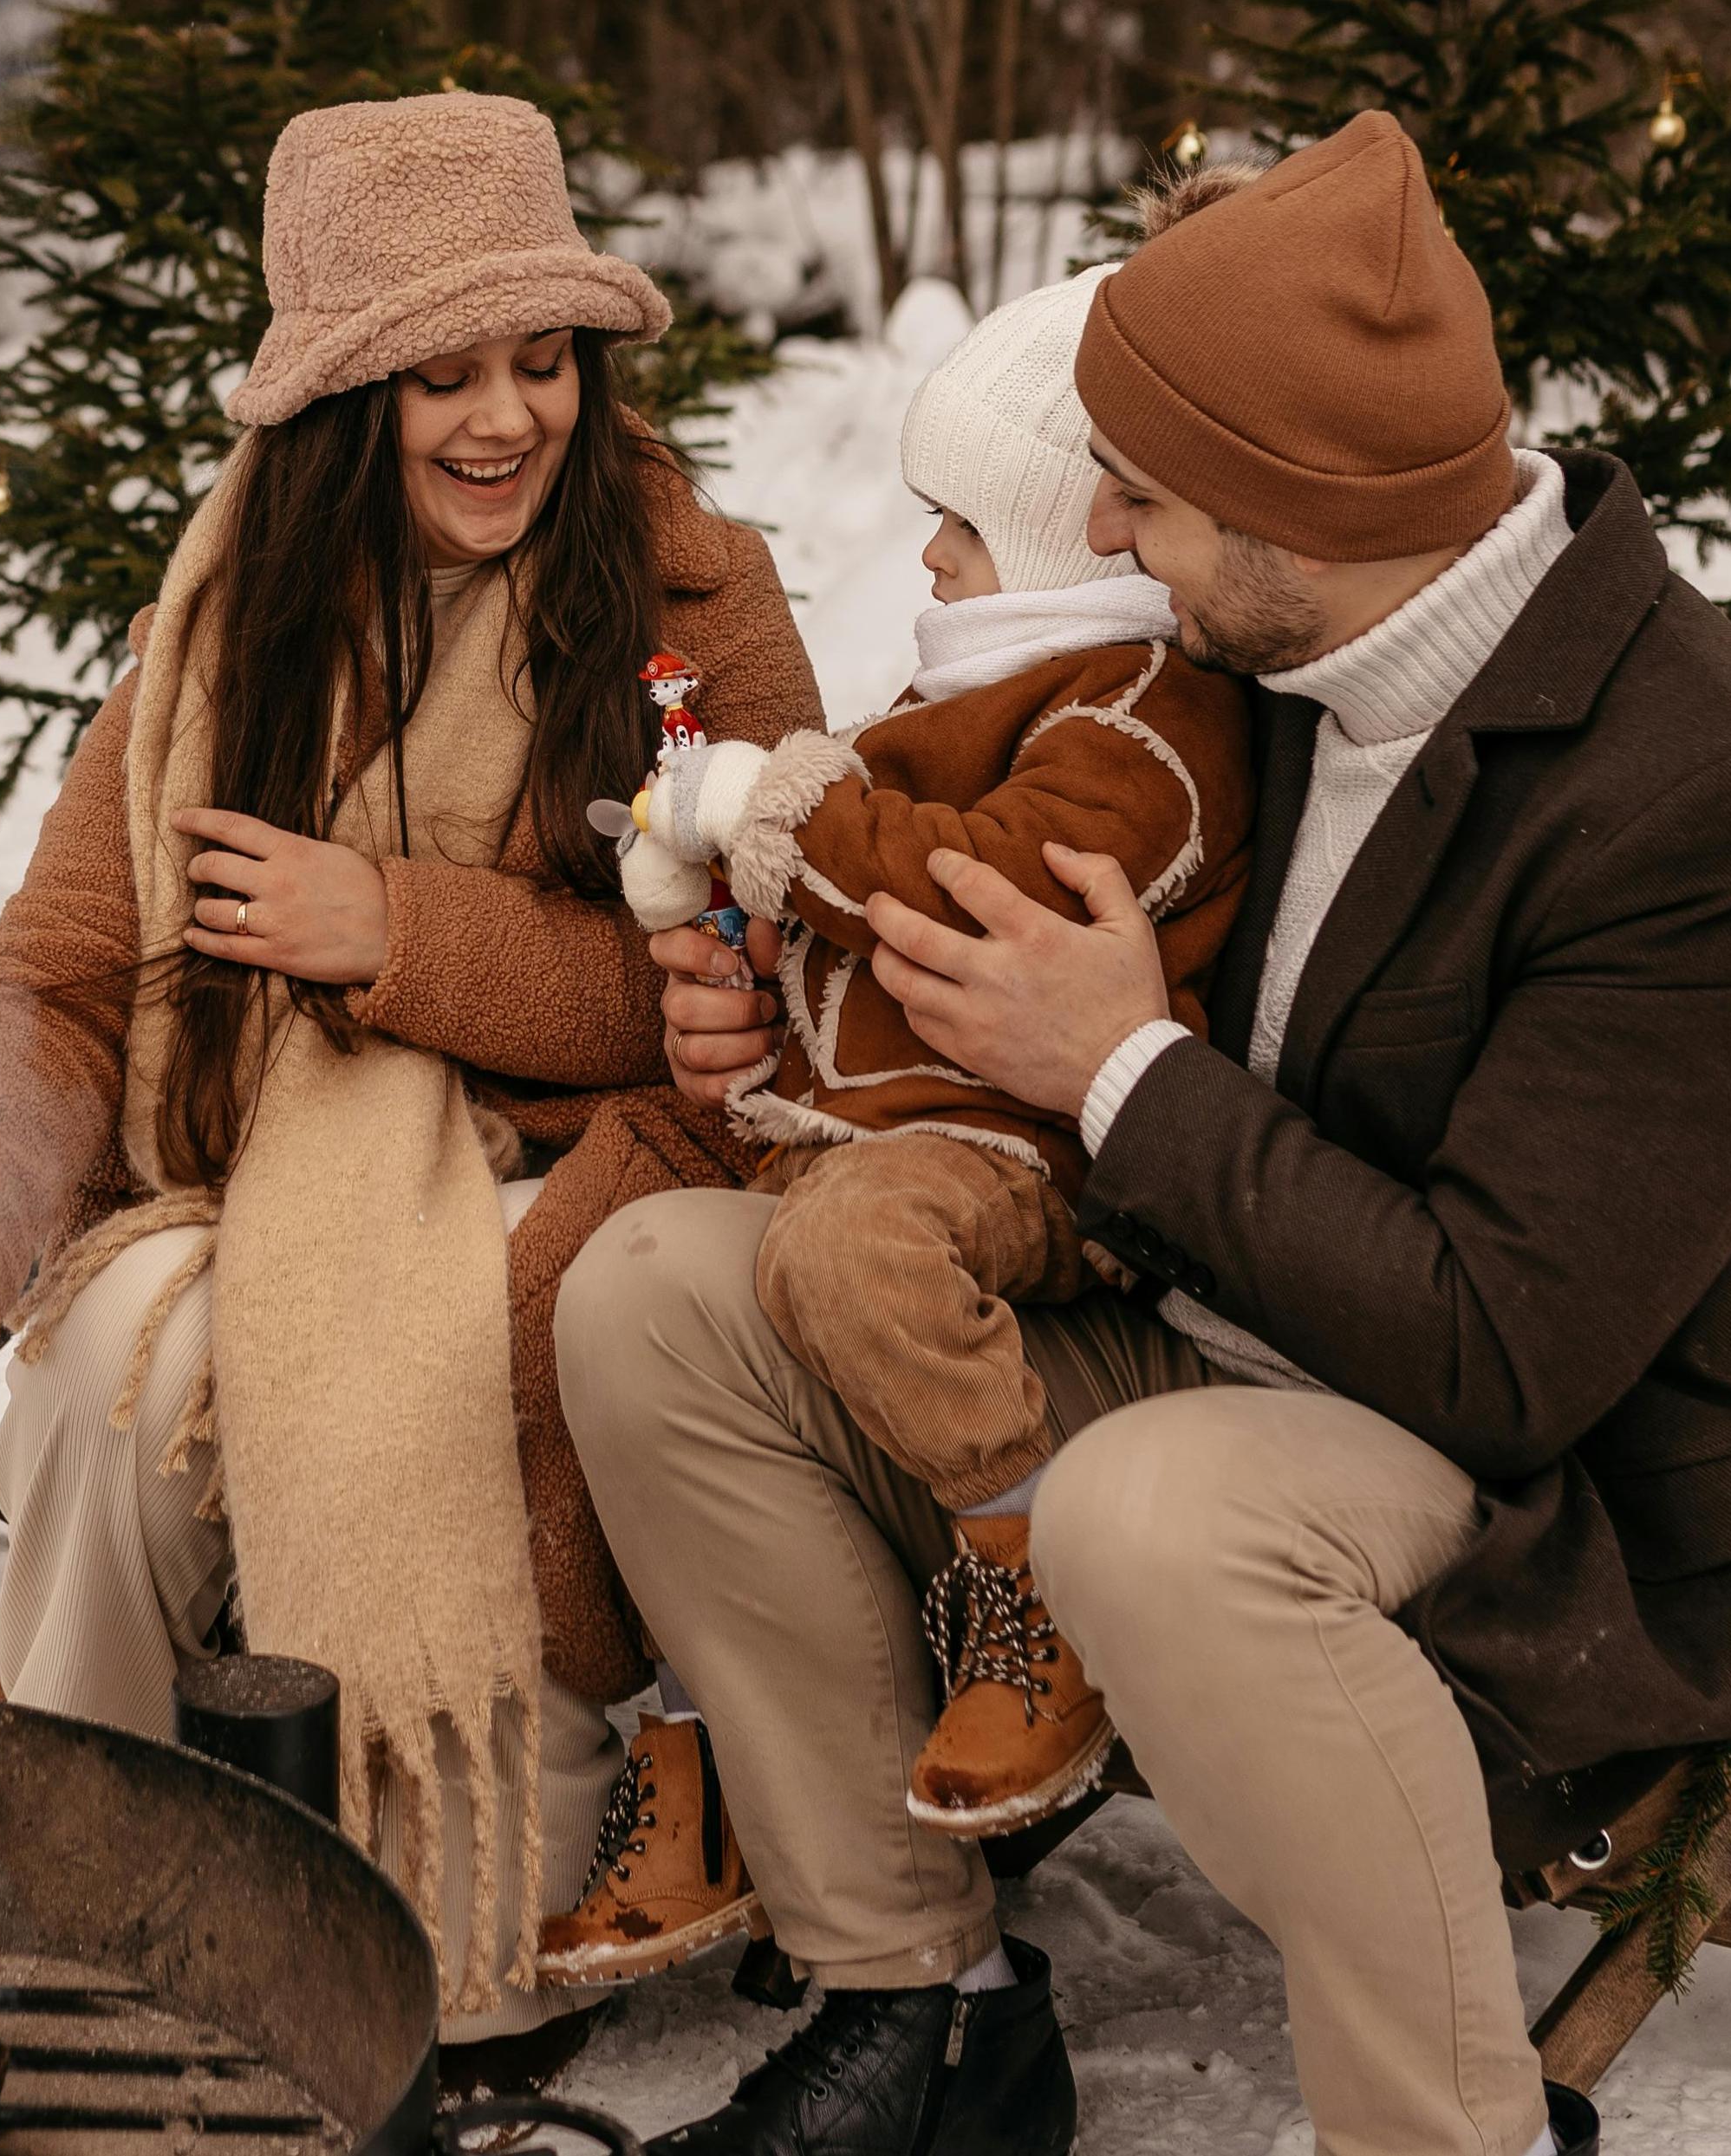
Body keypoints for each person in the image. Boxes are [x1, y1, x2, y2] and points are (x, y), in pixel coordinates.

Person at [556, 110, 1731, 2156]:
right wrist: (787, 1028)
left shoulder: (1696, 793)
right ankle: (929, 2008)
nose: (1095, 523)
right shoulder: (1255, 665)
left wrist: (1118, 1075)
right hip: (1221, 1327)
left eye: (1142, 491)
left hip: (1544, 1485)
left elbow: (1505, 1351)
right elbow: (1008, 921)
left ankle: (1451, 2134)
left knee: (1145, 1505)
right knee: (657, 1294)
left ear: (1294, 504)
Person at [0, 91, 824, 2073]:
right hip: (274, 1170)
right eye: (442, 374)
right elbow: (61, 974)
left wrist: (394, 930)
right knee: (108, 1373)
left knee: (418, 1336)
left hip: (595, 1163)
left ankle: (452, 1905)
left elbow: (751, 983)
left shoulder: (697, 593)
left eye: (541, 361)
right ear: (347, 397)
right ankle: (84, 1890)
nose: (505, 417)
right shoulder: (225, 622)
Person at [533, 256, 1255, 1994]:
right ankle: (703, 1744)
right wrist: (749, 951)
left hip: (1034, 1164)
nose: (925, 558)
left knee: (838, 1246)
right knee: (624, 1305)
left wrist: (783, 803)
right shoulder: (963, 704)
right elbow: (858, 894)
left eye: (959, 526)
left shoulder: (1143, 719)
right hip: (896, 1141)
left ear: (1069, 543)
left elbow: (987, 884)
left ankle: (1029, 1583)